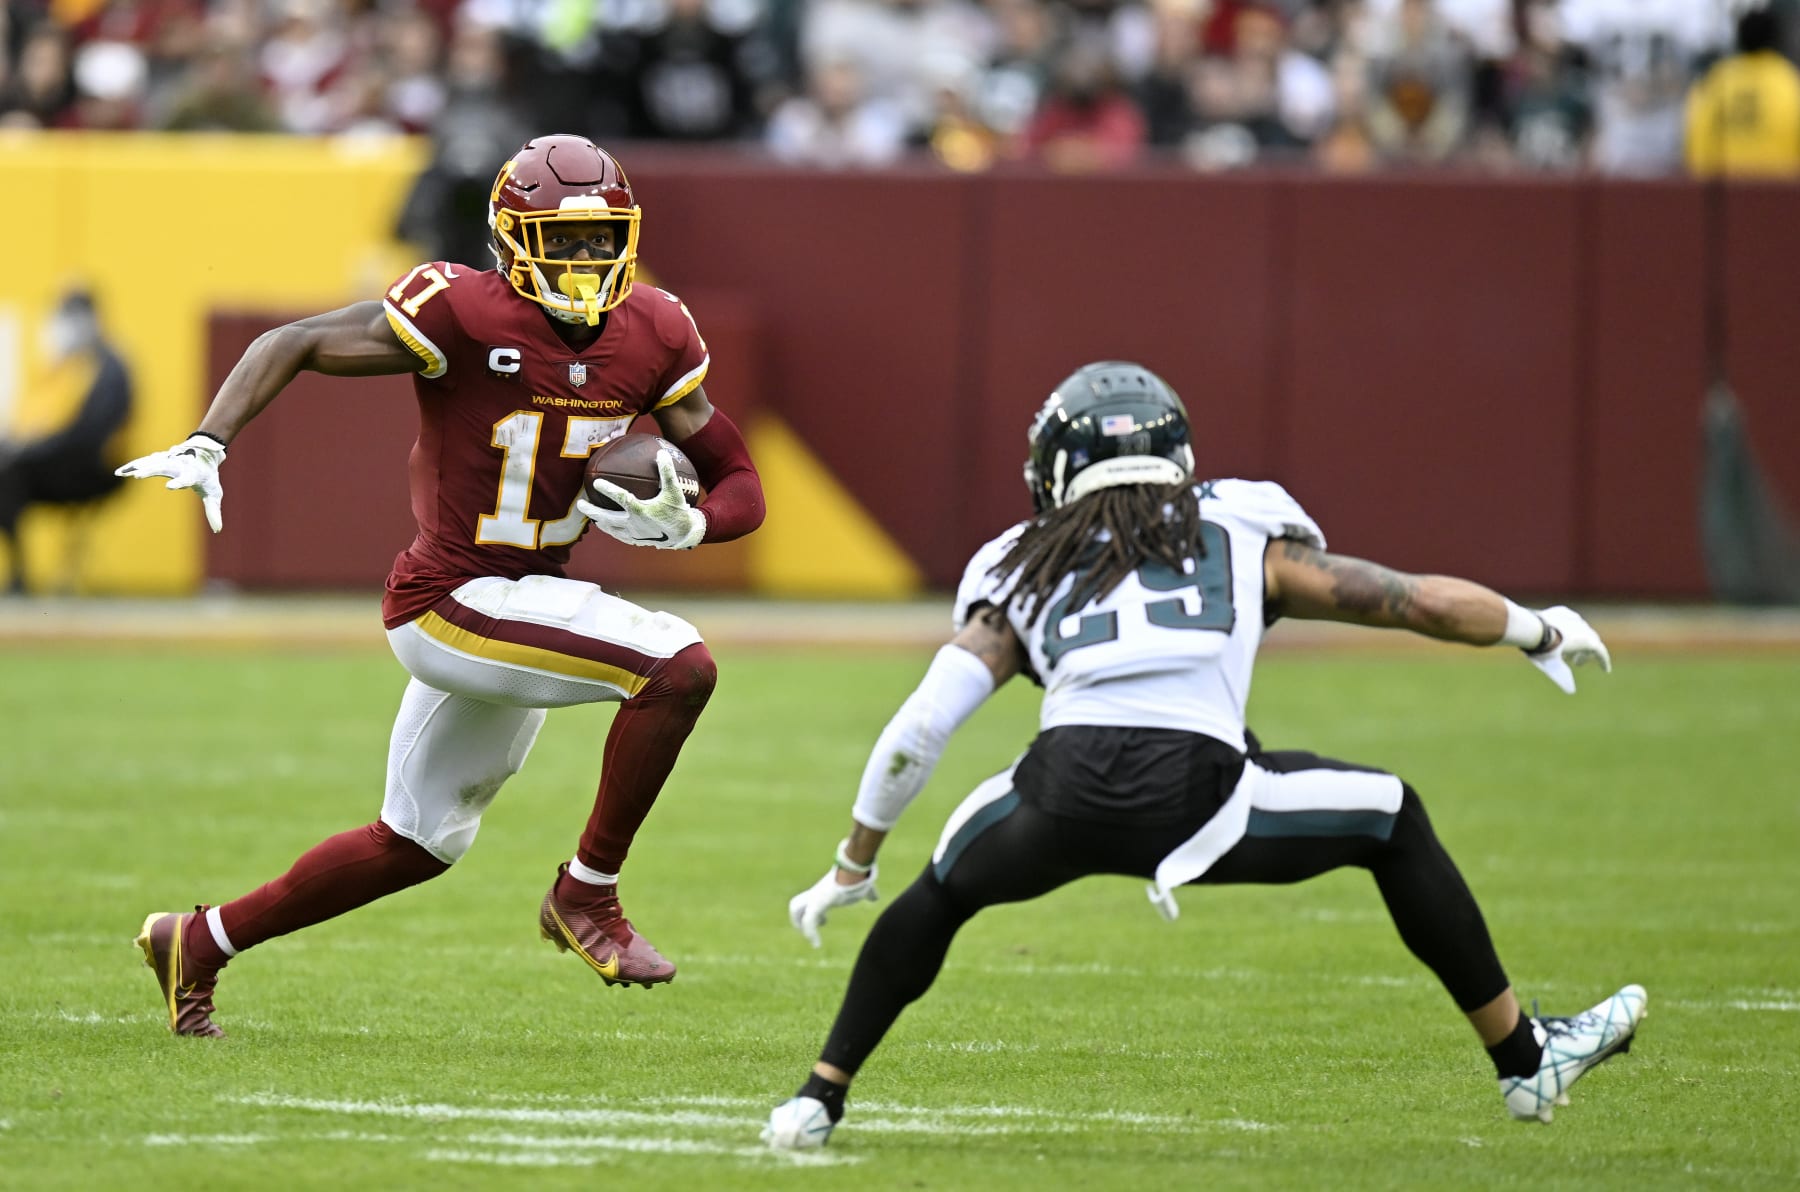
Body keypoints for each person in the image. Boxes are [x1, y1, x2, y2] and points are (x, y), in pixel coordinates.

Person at [766, 361, 1643, 1149]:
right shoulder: (1241, 521)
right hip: (1204, 796)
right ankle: (1526, 1059)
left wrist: (853, 861)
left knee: (940, 892)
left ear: (1056, 468)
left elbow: (922, 724)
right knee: (1392, 816)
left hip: (1056, 799)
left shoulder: (1015, 560)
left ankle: (817, 1098)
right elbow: (1407, 601)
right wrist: (1538, 629)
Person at [116, 133, 766, 1037]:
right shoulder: (462, 309)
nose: (585, 260)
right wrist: (210, 439)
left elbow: (740, 480)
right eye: (563, 240)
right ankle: (587, 895)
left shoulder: (654, 330)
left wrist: (695, 524)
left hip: (527, 598)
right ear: (510, 238)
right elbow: (294, 340)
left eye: (600, 238)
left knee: (417, 843)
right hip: (451, 597)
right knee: (676, 665)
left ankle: (199, 941)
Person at [0, 288, 133, 595]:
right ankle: (19, 573)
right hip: (63, 461)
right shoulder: (67, 365)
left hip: (95, 468)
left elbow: (87, 435)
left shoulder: (108, 366)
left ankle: (20, 575)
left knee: (7, 477)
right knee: (6, 475)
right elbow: (43, 420)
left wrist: (29, 450)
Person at [1684, 5, 1800, 179]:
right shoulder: (1789, 83)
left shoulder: (1715, 82)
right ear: (1776, 39)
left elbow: (1695, 142)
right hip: (1776, 196)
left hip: (1722, 197)